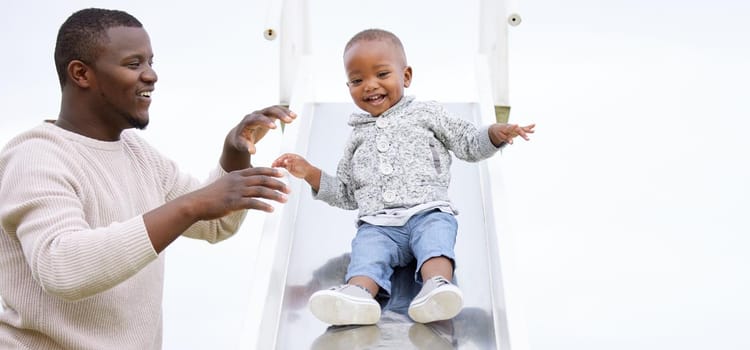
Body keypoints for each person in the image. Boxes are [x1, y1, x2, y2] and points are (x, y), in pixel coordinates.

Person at [0, 8, 296, 349]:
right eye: (133, 64)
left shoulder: (138, 154)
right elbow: (63, 267)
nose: (151, 75)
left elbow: (216, 223)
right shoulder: (35, 157)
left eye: (151, 62)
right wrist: (194, 204)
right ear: (81, 74)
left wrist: (235, 154)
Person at [271, 28, 534, 326]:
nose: (370, 86)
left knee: (436, 241)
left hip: (428, 211)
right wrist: (311, 173)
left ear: (406, 76)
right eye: (357, 81)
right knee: (366, 252)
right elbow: (346, 194)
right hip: (379, 225)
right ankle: (358, 294)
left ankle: (436, 287)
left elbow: (468, 144)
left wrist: (493, 135)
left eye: (382, 74)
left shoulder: (427, 114)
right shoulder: (357, 137)